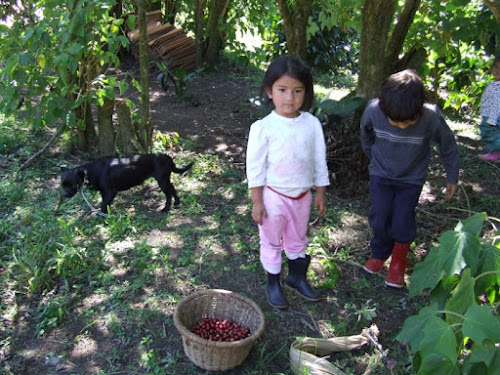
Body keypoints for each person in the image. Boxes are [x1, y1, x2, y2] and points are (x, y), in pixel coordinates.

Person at [360, 69, 459, 288]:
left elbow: (448, 146)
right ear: (384, 106)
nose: (401, 126)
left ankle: (399, 259)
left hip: (411, 179)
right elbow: (366, 136)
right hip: (381, 174)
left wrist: (452, 176)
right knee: (379, 215)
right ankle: (380, 252)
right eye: (395, 121)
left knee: (402, 219)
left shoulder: (430, 116)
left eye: (407, 122)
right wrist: (375, 159)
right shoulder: (373, 110)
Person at [246, 55, 330, 308]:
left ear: (306, 93)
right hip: (273, 197)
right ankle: (273, 282)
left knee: (298, 237)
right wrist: (257, 202)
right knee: (272, 240)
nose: (290, 98)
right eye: (282, 90)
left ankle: (296, 277)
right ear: (269, 91)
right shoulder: (263, 127)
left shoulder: (312, 124)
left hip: (302, 196)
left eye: (297, 91)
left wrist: (320, 192)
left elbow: (319, 160)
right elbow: (256, 168)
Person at [478, 55, 500, 162]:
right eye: (495, 66)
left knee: (491, 134)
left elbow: (497, 103)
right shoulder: (494, 84)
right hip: (488, 114)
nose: (497, 70)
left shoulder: (498, 87)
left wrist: (492, 119)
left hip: (492, 116)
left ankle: (495, 153)